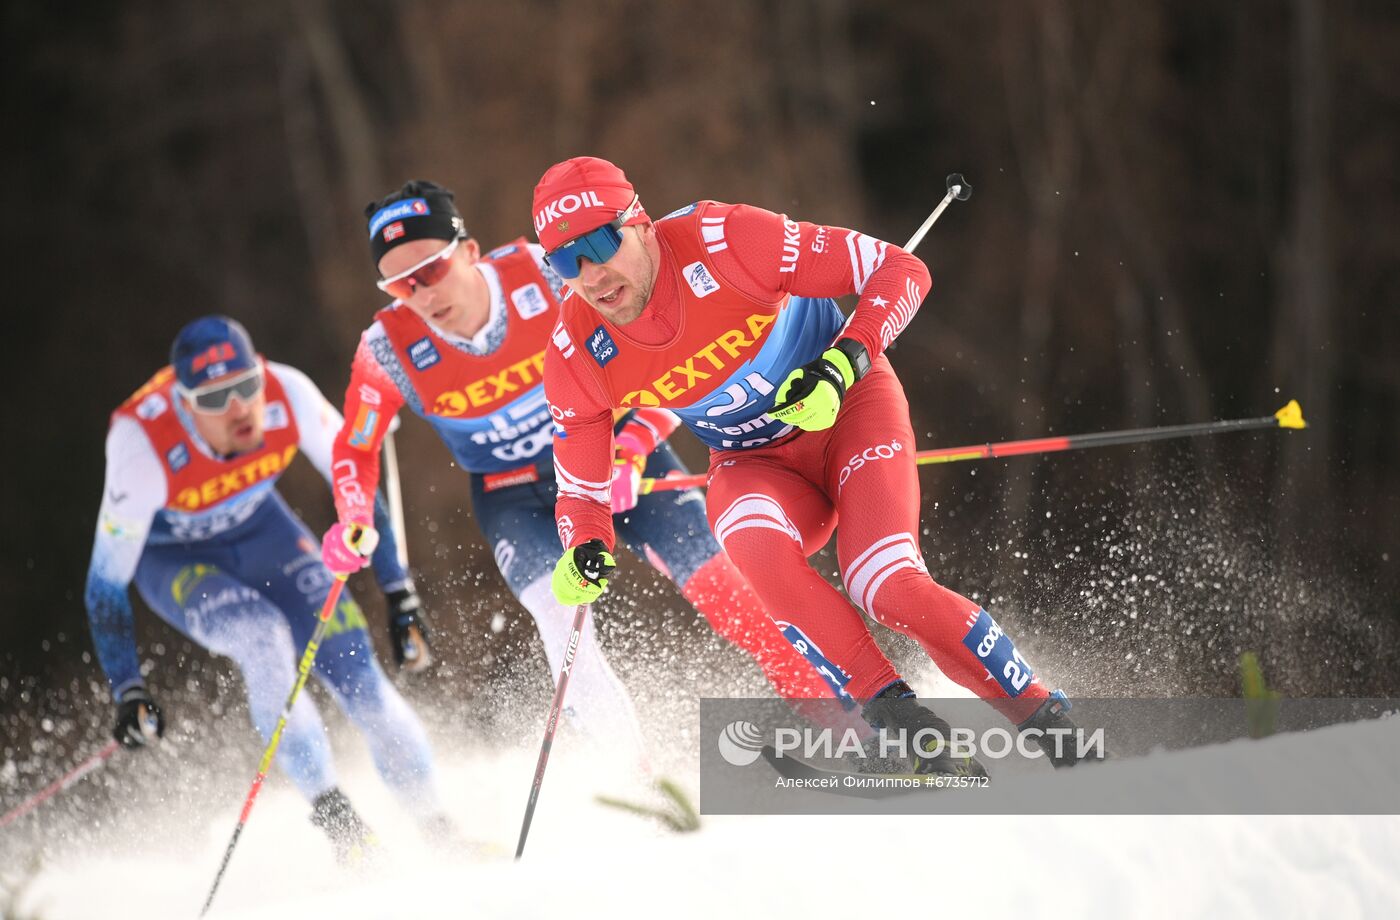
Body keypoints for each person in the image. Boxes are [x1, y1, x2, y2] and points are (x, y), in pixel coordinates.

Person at [536, 156, 1094, 775]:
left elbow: (900, 268)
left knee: (884, 585)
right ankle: (912, 732)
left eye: (598, 244)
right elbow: (581, 492)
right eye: (566, 261)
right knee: (745, 536)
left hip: (849, 415)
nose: (591, 275)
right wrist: (584, 547)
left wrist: (843, 363)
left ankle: (1052, 725)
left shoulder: (727, 240)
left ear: (638, 223)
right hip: (754, 462)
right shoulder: (576, 350)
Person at [320, 180, 838, 771]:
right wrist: (356, 516)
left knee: (725, 588)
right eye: (399, 285)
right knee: (562, 631)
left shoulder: (551, 273)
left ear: (469, 251)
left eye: (431, 271)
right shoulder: (387, 349)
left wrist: (635, 445)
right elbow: (356, 446)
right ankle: (645, 787)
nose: (420, 295)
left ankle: (840, 717)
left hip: (614, 459)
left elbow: (685, 351)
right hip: (513, 495)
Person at [84, 315, 449, 861]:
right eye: (215, 399)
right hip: (177, 559)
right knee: (261, 636)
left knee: (360, 676)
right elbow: (105, 585)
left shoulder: (288, 392)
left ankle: (440, 828)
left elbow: (358, 474)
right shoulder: (141, 444)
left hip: (264, 534)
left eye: (246, 387)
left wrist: (400, 594)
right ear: (185, 406)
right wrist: (129, 689)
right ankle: (340, 825)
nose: (239, 408)